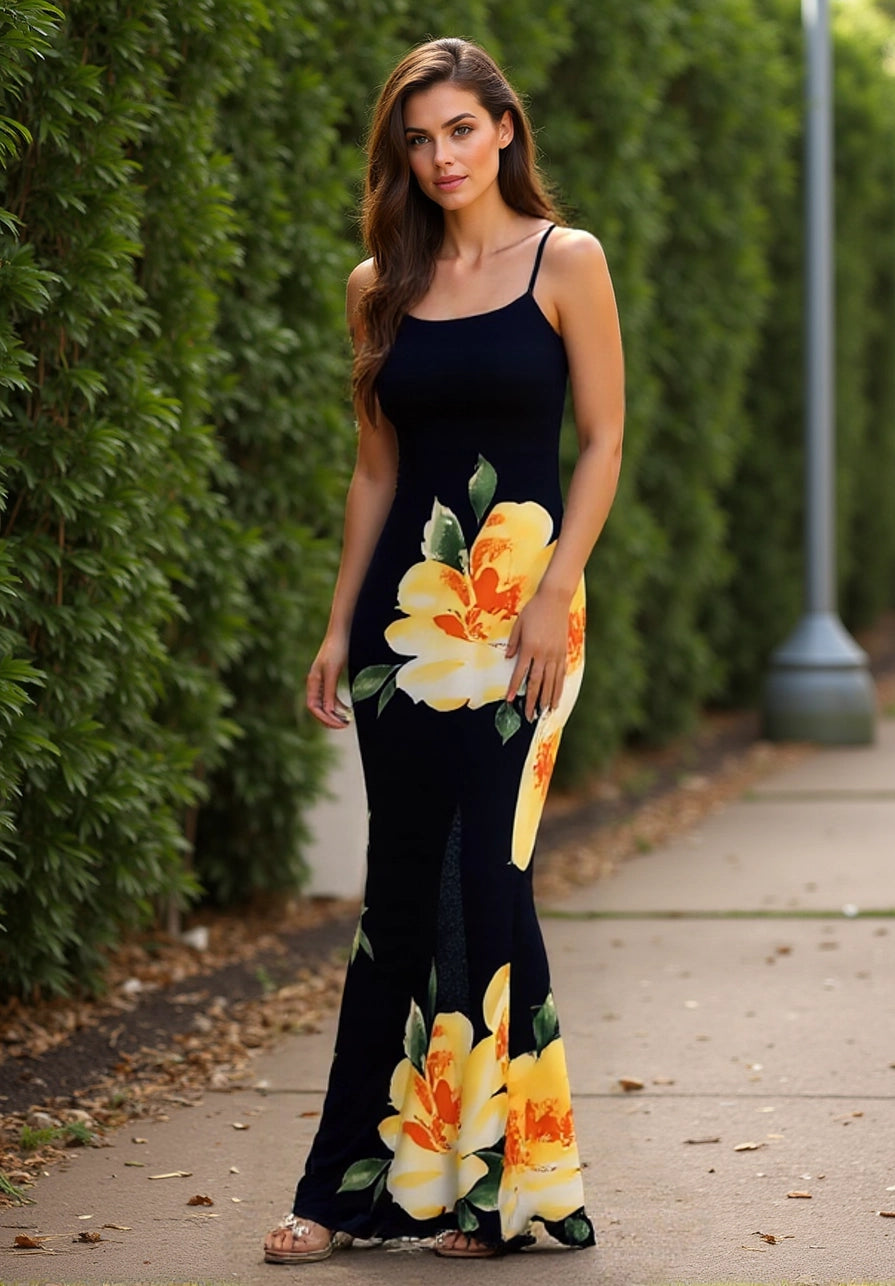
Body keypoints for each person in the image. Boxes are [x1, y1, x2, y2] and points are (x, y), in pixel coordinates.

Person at [264, 35, 624, 1263]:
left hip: (528, 620)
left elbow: (603, 439)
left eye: (461, 129)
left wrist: (555, 587)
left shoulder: (566, 260)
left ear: (505, 129)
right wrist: (335, 624)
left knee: (488, 879)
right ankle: (342, 1190)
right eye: (418, 140)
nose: (441, 156)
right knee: (401, 890)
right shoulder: (378, 283)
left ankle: (497, 1188)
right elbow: (375, 471)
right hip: (405, 631)